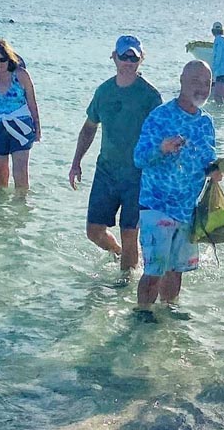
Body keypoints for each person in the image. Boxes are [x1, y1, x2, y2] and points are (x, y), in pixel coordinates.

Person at [133, 61, 223, 315]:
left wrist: (214, 171)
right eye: (196, 81)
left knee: (176, 272)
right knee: (153, 271)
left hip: (187, 209)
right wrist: (161, 148)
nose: (202, 88)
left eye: (207, 83)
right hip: (156, 205)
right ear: (182, 81)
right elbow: (138, 158)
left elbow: (208, 160)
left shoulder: (206, 122)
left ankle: (165, 320)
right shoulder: (160, 116)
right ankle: (142, 318)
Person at [69, 36, 163, 272]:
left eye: (134, 57)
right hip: (106, 172)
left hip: (138, 176)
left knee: (130, 232)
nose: (128, 61)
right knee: (93, 231)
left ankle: (125, 289)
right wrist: (76, 162)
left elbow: (162, 137)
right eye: (124, 56)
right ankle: (119, 253)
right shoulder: (104, 91)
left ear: (141, 59)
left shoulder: (150, 96)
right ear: (114, 57)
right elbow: (89, 127)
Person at [0, 39, 41, 188]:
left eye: (3, 59)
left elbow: (32, 101)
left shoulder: (21, 75)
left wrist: (37, 126)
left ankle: (21, 207)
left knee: (21, 172)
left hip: (21, 125)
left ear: (9, 57)